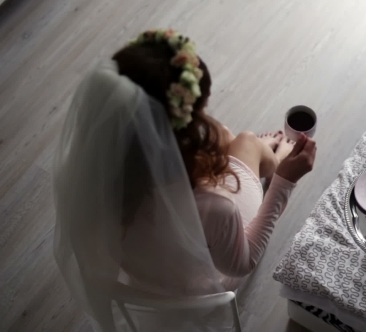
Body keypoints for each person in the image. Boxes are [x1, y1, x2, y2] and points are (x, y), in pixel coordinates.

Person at [53, 29, 316, 331]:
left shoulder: (92, 176)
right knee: (241, 139)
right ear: (176, 133)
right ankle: (275, 161)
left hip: (150, 274)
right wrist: (285, 182)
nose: (204, 116)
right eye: (199, 111)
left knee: (226, 136)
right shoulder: (214, 208)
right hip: (207, 280)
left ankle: (255, 152)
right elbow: (243, 262)